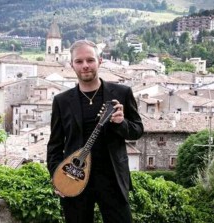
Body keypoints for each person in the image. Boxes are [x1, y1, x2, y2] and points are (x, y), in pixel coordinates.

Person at [47, 39, 144, 223]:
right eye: (79, 61)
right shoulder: (61, 101)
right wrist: (56, 177)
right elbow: (55, 145)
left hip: (112, 179)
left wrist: (121, 123)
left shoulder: (122, 93)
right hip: (74, 177)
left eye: (90, 60)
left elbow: (137, 130)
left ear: (100, 61)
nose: (85, 66)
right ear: (72, 65)